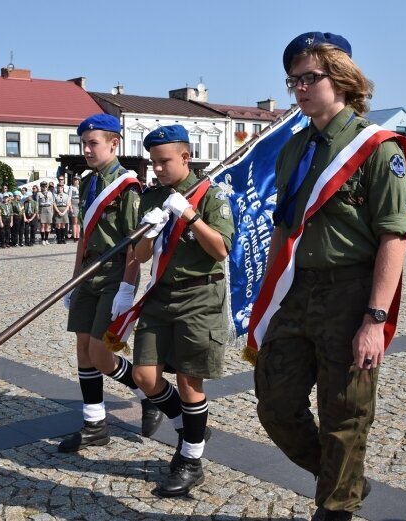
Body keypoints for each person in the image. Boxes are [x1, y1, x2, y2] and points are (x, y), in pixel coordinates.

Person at [253, 32, 406, 521]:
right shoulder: (293, 149)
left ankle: (336, 506)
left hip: (351, 290)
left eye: (309, 78)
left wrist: (374, 318)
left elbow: (393, 237)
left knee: (345, 412)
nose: (298, 88)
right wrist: (269, 293)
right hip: (298, 289)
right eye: (293, 80)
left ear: (341, 79)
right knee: (274, 401)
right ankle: (343, 479)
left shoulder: (377, 149)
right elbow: (284, 225)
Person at [127, 125, 233, 496]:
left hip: (199, 299)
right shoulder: (150, 197)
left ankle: (190, 460)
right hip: (160, 296)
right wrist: (149, 233)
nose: (156, 169)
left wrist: (189, 215)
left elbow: (221, 249)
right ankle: (191, 427)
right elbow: (139, 257)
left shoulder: (211, 195)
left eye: (164, 161)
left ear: (185, 158)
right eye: (153, 162)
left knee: (190, 381)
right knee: (144, 375)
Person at [60, 113, 161, 454]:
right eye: (83, 143)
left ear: (114, 143)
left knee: (103, 355)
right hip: (89, 274)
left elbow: (135, 244)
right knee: (83, 351)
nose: (87, 150)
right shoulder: (88, 183)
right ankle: (94, 424)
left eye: (93, 143)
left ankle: (150, 394)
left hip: (113, 277)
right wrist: (73, 282)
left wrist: (127, 289)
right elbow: (83, 238)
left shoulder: (128, 188)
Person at [53, 178, 71, 244]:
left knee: (63, 225)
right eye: (59, 188)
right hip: (58, 209)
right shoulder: (55, 195)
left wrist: (64, 212)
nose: (60, 189)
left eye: (61, 188)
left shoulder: (66, 195)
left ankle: (63, 238)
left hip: (64, 210)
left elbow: (68, 204)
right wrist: (58, 211)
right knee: (58, 225)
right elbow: (54, 204)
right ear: (57, 188)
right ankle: (59, 238)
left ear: (63, 188)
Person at [70, 175, 81, 241]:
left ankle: (78, 235)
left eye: (77, 180)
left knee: (79, 222)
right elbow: (69, 197)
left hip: (79, 203)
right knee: (74, 221)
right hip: (74, 202)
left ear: (79, 181)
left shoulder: (81, 187)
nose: (75, 181)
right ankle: (74, 236)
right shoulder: (71, 187)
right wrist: (70, 206)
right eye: (74, 180)